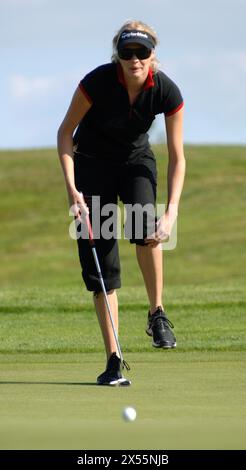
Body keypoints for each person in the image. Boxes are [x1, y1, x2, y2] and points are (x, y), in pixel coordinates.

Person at [57, 20, 186, 386]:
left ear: (152, 56)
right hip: (92, 167)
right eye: (127, 53)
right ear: (118, 55)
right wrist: (72, 189)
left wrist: (172, 210)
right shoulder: (96, 82)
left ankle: (156, 312)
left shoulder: (165, 90)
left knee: (147, 227)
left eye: (141, 52)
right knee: (102, 263)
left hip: (134, 162)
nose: (134, 59)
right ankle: (114, 360)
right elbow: (65, 133)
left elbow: (178, 156)